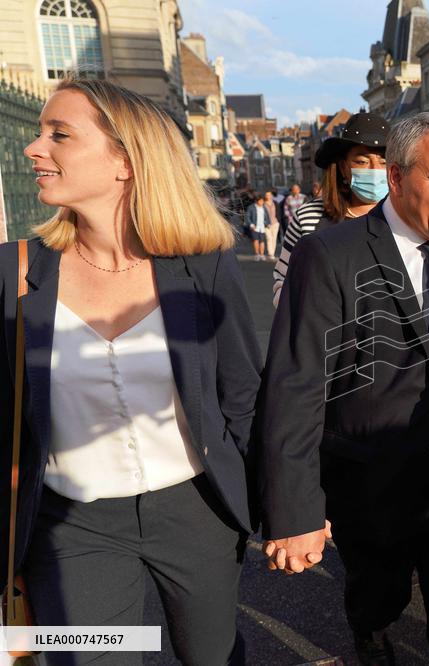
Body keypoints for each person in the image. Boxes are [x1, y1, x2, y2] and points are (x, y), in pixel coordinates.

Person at [1, 77, 261, 664]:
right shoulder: (15, 272)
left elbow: (242, 394)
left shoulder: (200, 264)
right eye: (39, 133)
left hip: (196, 509)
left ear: (125, 159)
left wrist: (288, 511)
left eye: (58, 135)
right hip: (70, 527)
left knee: (214, 658)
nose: (33, 149)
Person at [256, 113, 429, 665]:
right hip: (371, 485)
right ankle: (370, 631)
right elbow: (296, 384)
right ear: (396, 177)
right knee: (377, 599)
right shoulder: (330, 254)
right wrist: (294, 509)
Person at [272, 112, 389, 307]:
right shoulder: (310, 217)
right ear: (343, 167)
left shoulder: (406, 217)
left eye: (383, 161)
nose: (374, 169)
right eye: (361, 161)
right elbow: (284, 282)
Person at [246, 193, 269, 261]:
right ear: (257, 201)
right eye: (260, 201)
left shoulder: (264, 207)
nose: (262, 202)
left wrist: (268, 223)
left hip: (262, 227)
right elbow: (247, 217)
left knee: (262, 241)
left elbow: (267, 217)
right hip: (255, 227)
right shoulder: (251, 207)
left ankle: (262, 254)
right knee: (256, 240)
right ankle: (257, 254)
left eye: (263, 201)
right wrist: (251, 224)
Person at [264, 190, 280, 260]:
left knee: (274, 238)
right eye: (266, 195)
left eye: (269, 195)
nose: (268, 196)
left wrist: (278, 220)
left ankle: (272, 253)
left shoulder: (275, 203)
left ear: (271, 196)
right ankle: (270, 253)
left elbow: (279, 212)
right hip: (266, 224)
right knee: (269, 238)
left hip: (275, 223)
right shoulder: (263, 204)